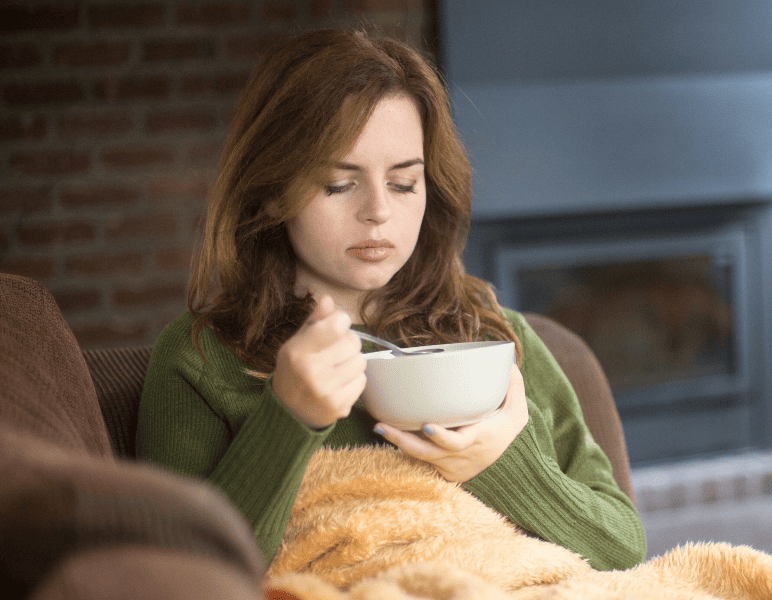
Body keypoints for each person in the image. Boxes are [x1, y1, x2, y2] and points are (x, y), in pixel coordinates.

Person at [136, 28, 646, 572]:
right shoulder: (204, 359)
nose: (378, 211)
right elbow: (182, 577)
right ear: (271, 189)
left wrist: (499, 462)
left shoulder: (494, 338)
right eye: (338, 184)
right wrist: (288, 418)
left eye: (404, 184)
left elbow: (622, 545)